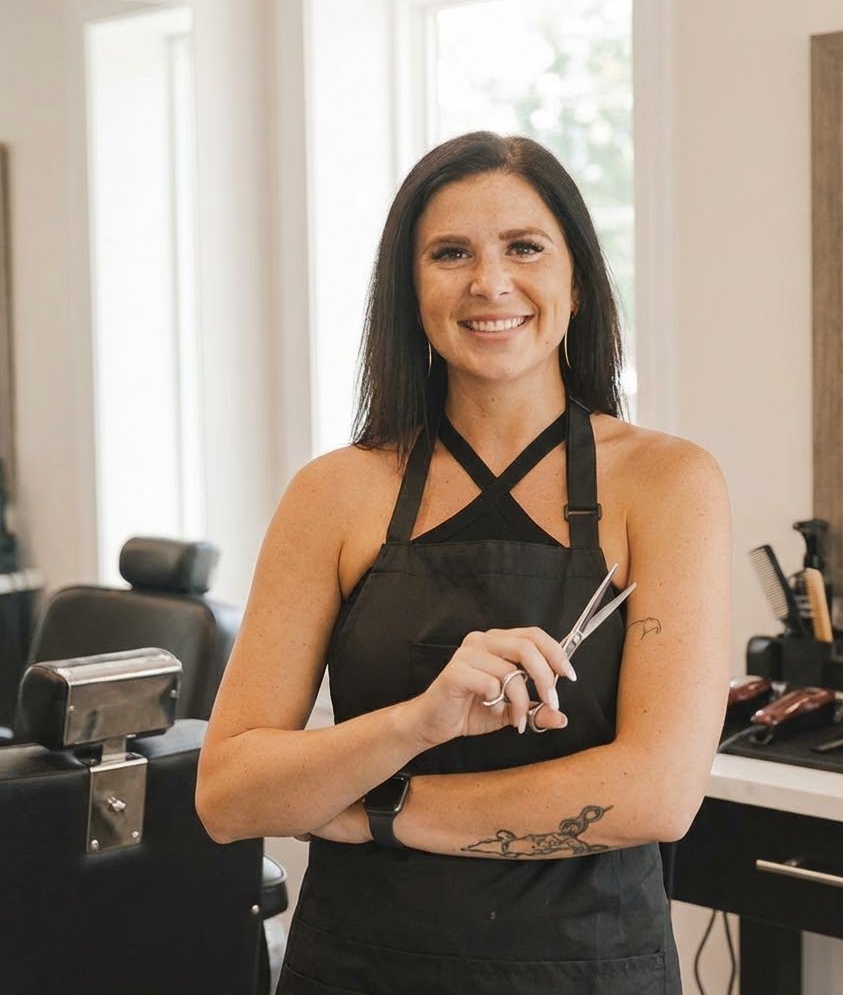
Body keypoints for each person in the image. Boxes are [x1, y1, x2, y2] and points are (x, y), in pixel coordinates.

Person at [196, 131, 731, 994]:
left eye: (525, 247)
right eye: (451, 253)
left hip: (588, 968)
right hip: (360, 967)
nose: (490, 283)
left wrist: (379, 810)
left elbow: (656, 793)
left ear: (578, 283)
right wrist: (420, 722)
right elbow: (229, 795)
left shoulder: (668, 484)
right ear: (410, 292)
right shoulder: (335, 494)